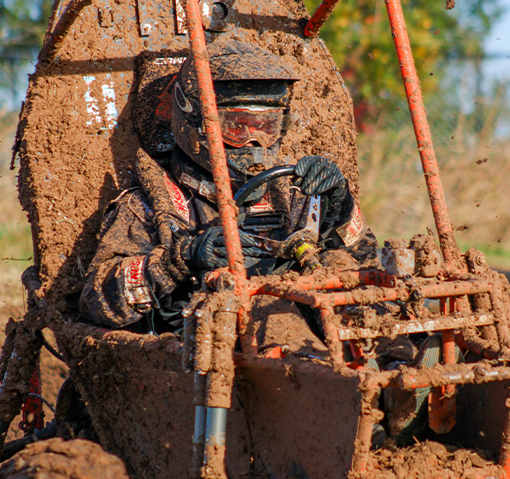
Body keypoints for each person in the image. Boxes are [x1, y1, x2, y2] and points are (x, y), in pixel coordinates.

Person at [80, 39, 378, 333]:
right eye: (237, 127)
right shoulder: (150, 205)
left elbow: (368, 262)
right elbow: (95, 301)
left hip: (310, 347)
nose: (254, 143)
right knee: (264, 306)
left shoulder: (294, 194)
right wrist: (181, 258)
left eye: (266, 127)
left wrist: (340, 210)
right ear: (194, 120)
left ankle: (397, 359)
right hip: (203, 351)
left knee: (338, 263)